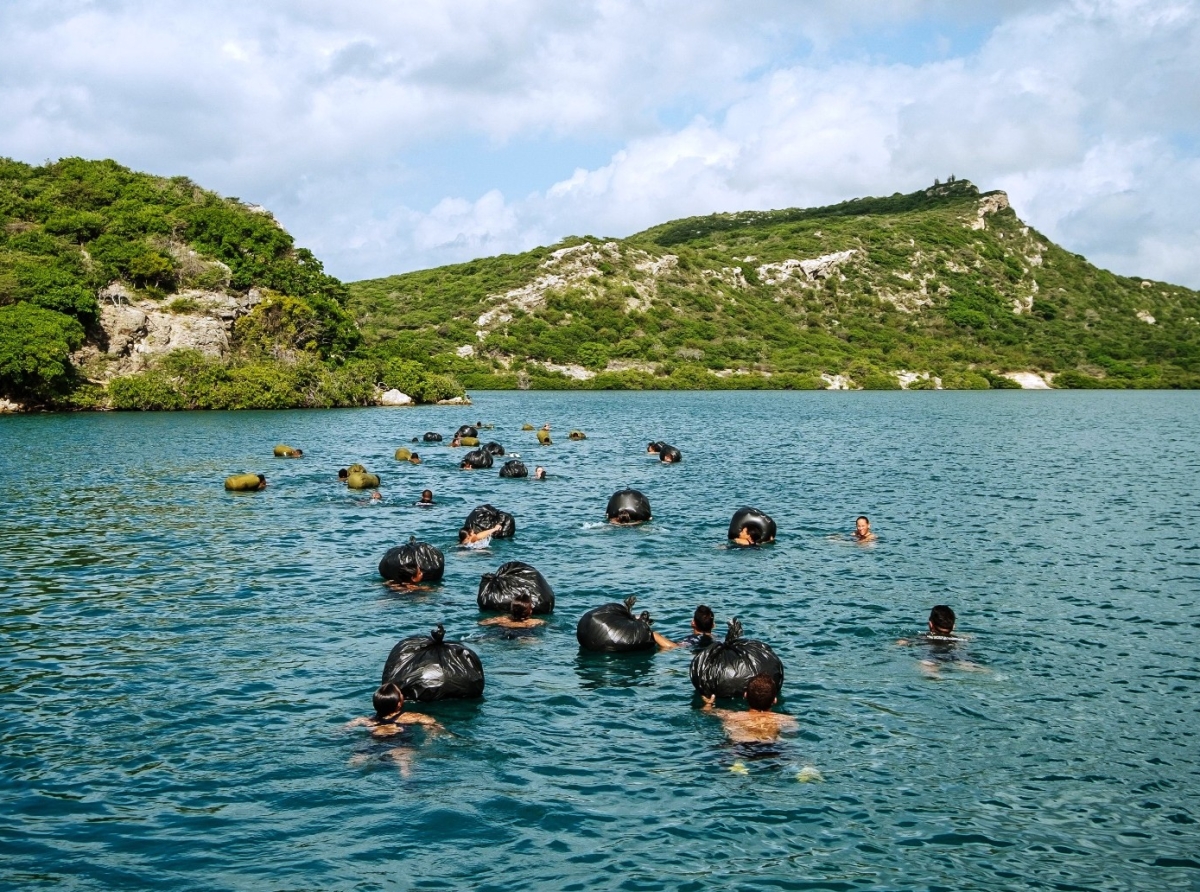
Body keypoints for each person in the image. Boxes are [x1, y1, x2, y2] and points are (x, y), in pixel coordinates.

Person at [701, 674, 797, 744]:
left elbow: (706, 712)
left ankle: (738, 764)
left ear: (745, 696)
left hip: (742, 747)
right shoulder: (786, 720)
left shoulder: (731, 716)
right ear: (775, 700)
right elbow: (791, 736)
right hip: (773, 748)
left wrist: (709, 703)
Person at [897, 605, 984, 676]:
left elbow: (901, 642)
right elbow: (968, 638)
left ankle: (936, 677)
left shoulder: (922, 637)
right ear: (953, 626)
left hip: (932, 654)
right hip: (956, 654)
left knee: (929, 667)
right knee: (968, 664)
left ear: (930, 624)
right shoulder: (961, 638)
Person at [479, 592, 546, 630]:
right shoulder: (534, 622)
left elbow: (482, 623)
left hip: (504, 630)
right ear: (530, 611)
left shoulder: (502, 619)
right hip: (524, 633)